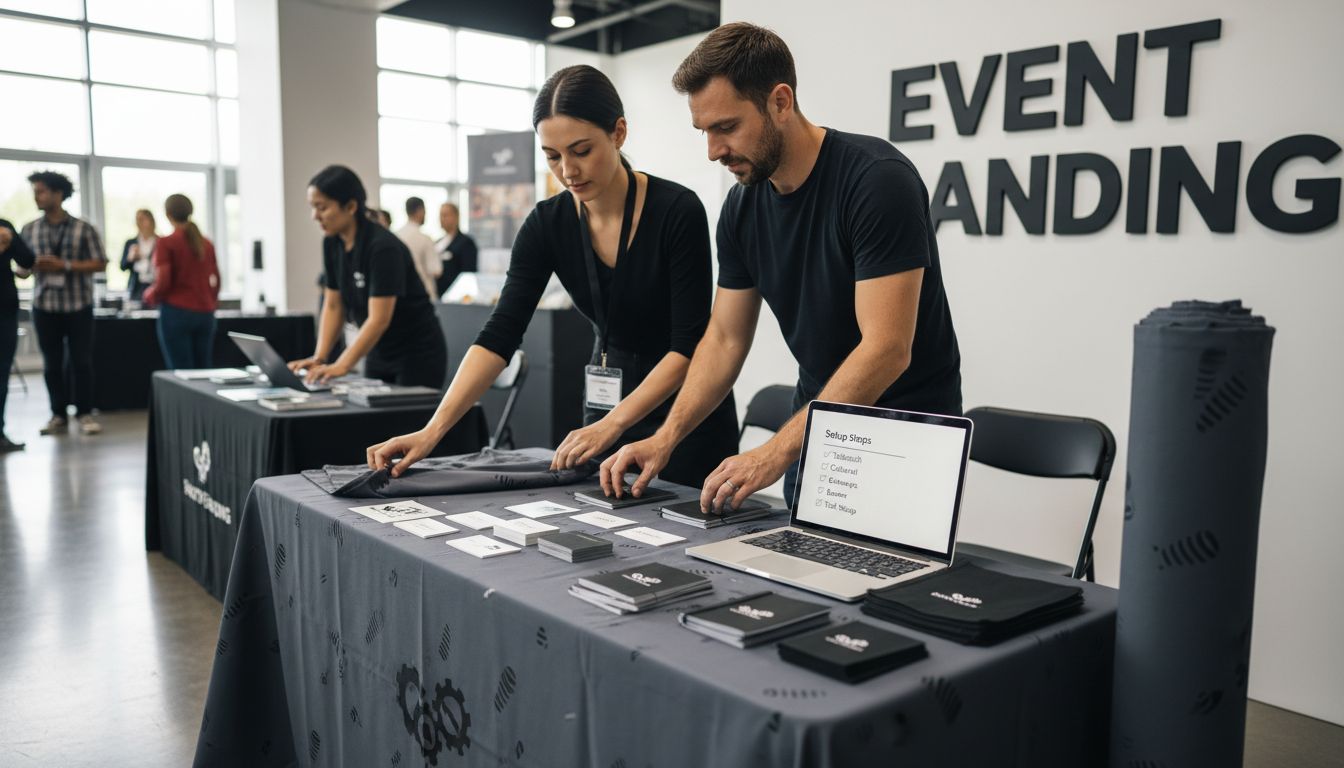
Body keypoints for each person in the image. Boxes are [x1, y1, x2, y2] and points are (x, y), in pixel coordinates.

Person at [601, 23, 962, 511]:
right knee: (796, 559)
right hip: (818, 429)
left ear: (780, 102)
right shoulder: (741, 208)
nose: (713, 151)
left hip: (903, 437)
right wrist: (666, 438)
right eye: (705, 132)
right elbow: (724, 339)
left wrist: (773, 452)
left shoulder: (877, 181)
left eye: (727, 127)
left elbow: (886, 349)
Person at [367, 65, 739, 487]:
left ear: (618, 133)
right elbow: (500, 334)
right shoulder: (547, 224)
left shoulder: (676, 211)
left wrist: (614, 424)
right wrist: (432, 431)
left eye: (581, 151)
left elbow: (688, 345)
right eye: (553, 156)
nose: (567, 171)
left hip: (684, 413)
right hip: (607, 401)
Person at [288, 165, 447, 388]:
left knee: (408, 412)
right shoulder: (332, 243)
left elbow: (379, 318)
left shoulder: (382, 247)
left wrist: (342, 365)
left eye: (322, 207)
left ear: (351, 206)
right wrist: (320, 358)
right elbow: (333, 305)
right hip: (379, 350)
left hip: (417, 353)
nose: (315, 216)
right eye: (313, 207)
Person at [22, 170, 108, 437]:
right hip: (45, 306)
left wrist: (65, 265)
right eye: (35, 192)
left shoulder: (84, 228)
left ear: (58, 194)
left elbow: (100, 263)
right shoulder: (30, 229)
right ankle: (57, 414)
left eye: (42, 191)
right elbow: (22, 269)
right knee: (52, 363)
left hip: (78, 305)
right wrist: (32, 266)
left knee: (81, 362)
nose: (37, 197)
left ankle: (84, 413)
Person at [143, 195, 220, 369]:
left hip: (177, 312)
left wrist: (149, 295)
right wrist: (211, 301)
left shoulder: (166, 242)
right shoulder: (207, 243)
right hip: (206, 313)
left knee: (181, 372)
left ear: (168, 214)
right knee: (204, 370)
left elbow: (163, 281)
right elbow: (216, 279)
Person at [0, 218, 36, 451]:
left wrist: (10, 241)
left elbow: (27, 260)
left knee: (2, 374)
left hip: (4, 313)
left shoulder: (4, 226)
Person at [395, 196, 442, 299]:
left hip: (401, 294)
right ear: (420, 211)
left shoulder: (396, 236)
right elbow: (435, 270)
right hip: (423, 294)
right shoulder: (425, 239)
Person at [434, 202, 477, 297]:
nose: (442, 219)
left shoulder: (466, 243)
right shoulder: (437, 242)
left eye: (445, 215)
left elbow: (468, 273)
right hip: (437, 294)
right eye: (441, 215)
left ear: (456, 217)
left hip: (454, 295)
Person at [120, 208, 157, 302]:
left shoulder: (160, 242)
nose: (139, 222)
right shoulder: (131, 243)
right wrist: (130, 258)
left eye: (143, 219)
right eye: (137, 220)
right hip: (136, 287)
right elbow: (123, 266)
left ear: (151, 221)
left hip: (155, 284)